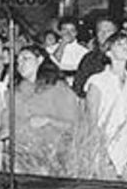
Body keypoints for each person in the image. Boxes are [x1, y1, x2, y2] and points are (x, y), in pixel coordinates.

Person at [7, 44, 81, 177]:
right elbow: (7, 121)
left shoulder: (58, 88)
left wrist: (49, 120)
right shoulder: (15, 90)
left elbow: (75, 125)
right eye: (18, 61)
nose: (20, 64)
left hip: (53, 161)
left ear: (40, 59)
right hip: (21, 159)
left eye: (26, 59)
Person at [84, 32, 127, 180]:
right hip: (103, 151)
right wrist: (104, 159)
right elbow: (92, 122)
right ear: (109, 52)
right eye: (120, 44)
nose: (126, 47)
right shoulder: (97, 82)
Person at [72, 16, 119, 97]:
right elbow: (78, 87)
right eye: (101, 31)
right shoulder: (89, 59)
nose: (104, 35)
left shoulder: (124, 57)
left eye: (108, 31)